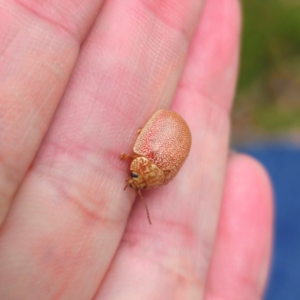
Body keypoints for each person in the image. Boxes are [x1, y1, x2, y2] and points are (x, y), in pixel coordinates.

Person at [0, 0, 273, 298]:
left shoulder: (156, 170)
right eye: (136, 177)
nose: (132, 181)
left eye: (134, 176)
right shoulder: (156, 170)